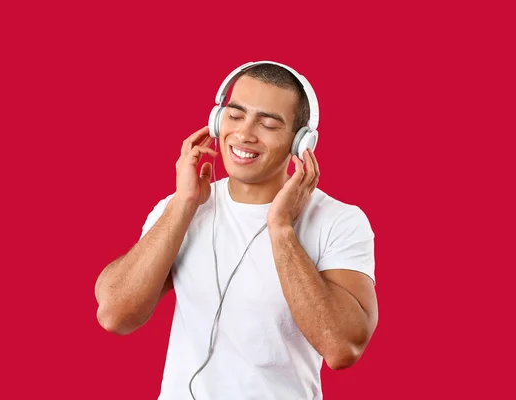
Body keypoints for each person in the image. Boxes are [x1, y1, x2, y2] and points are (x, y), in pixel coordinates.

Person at [94, 61, 378, 400]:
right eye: (235, 115)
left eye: (268, 123)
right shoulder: (183, 206)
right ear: (217, 120)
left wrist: (281, 228)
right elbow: (115, 315)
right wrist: (183, 206)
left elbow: (342, 347)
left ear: (300, 142)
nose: (244, 133)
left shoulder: (340, 221)